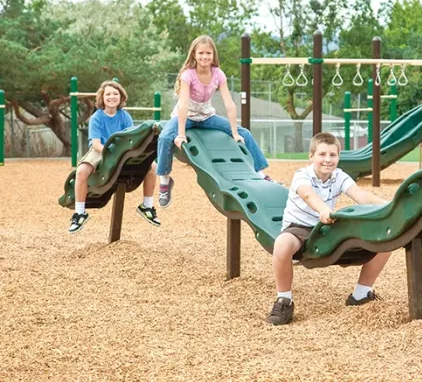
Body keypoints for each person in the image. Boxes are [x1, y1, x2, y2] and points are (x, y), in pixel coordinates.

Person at [266, 132, 391, 326]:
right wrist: (324, 209)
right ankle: (284, 300)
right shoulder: (302, 175)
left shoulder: (338, 176)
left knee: (388, 236)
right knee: (282, 244)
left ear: (338, 157)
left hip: (326, 227)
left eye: (333, 155)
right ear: (311, 156)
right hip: (299, 228)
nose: (327, 160)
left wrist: (390, 206)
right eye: (322, 154)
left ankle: (360, 294)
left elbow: (360, 195)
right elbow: (308, 195)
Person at [156, 35, 273, 208]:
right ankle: (165, 181)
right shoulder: (188, 75)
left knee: (244, 134)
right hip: (186, 116)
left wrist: (234, 132)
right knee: (165, 138)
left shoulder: (218, 74)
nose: (205, 57)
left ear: (213, 55)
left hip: (207, 116)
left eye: (208, 53)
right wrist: (180, 134)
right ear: (194, 54)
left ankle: (261, 174)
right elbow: (183, 104)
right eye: (201, 53)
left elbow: (229, 104)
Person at [69, 81, 160, 233]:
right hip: (101, 150)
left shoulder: (125, 117)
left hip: (121, 151)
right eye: (108, 94)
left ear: (121, 97)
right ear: (102, 98)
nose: (112, 97)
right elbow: (96, 143)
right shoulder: (97, 118)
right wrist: (109, 153)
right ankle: (79, 213)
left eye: (115, 94)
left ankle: (147, 206)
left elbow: (130, 138)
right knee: (81, 171)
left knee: (153, 167)